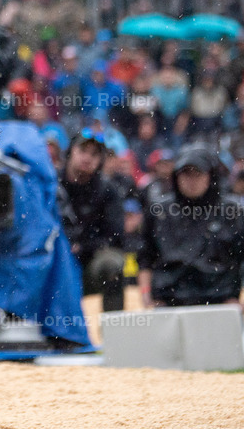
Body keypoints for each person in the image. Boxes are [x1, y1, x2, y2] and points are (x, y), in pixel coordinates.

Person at [138, 144, 244, 310]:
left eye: (197, 174)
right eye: (186, 174)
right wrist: (146, 297)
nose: (191, 180)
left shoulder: (232, 211)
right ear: (176, 177)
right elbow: (145, 258)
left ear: (210, 176)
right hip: (168, 299)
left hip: (221, 299)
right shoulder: (158, 211)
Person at [59, 130, 125, 313]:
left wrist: (83, 246)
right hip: (55, 256)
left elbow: (115, 236)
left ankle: (115, 329)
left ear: (100, 160)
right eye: (83, 150)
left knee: (113, 265)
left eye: (94, 154)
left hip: (90, 261)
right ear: (71, 151)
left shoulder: (108, 190)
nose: (87, 158)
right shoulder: (51, 183)